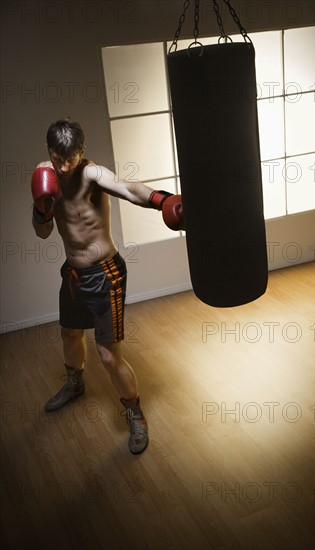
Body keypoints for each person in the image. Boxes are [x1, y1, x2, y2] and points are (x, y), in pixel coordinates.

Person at [31, 118, 184, 455]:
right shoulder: (45, 175)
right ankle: (75, 385)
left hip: (104, 274)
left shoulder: (91, 174)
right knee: (69, 334)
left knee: (108, 356)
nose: (64, 165)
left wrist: (162, 200)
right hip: (72, 273)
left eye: (70, 159)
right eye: (58, 158)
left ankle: (136, 414)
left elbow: (131, 189)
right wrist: (42, 206)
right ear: (50, 152)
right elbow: (42, 233)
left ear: (81, 154)